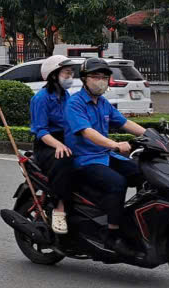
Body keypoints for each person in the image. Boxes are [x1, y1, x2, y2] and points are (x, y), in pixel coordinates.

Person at [63, 58, 147, 257]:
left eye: (104, 77)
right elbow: (86, 131)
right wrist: (115, 145)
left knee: (143, 173)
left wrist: (151, 135)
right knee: (117, 183)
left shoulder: (103, 103)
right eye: (95, 76)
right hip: (84, 160)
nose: (100, 81)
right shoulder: (74, 103)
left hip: (105, 155)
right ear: (84, 79)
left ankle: (135, 220)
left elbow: (125, 123)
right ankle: (112, 234)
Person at [29, 55, 81, 234]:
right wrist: (58, 145)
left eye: (71, 72)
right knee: (65, 159)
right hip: (47, 144)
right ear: (53, 75)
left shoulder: (66, 95)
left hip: (66, 139)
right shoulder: (41, 98)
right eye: (66, 72)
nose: (70, 76)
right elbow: (41, 130)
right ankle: (59, 208)